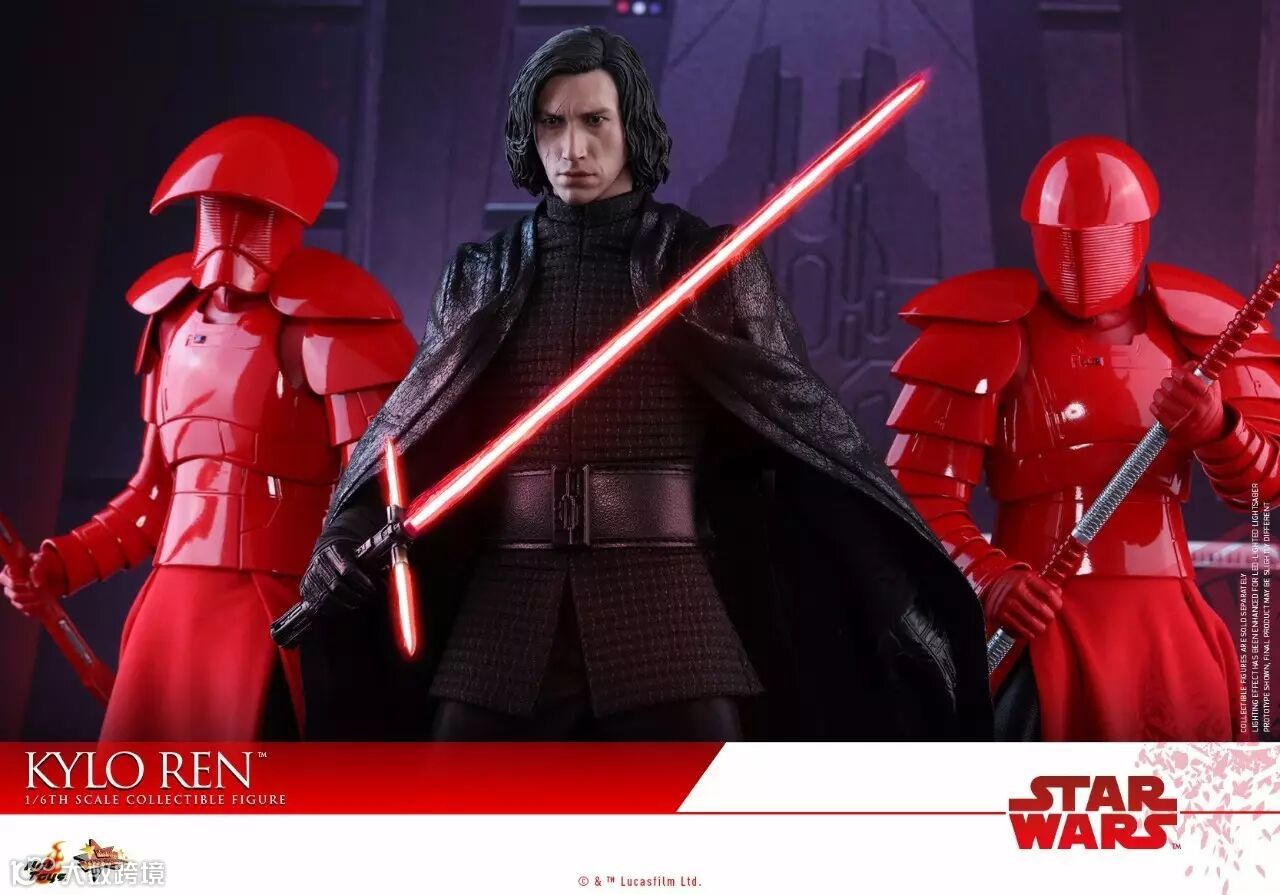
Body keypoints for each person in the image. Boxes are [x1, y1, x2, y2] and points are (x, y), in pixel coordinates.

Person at [294, 27, 992, 742]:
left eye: (594, 121)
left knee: (700, 807)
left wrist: (892, 594)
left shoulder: (703, 266)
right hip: (511, 606)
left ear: (632, 126)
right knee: (457, 799)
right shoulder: (482, 276)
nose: (572, 148)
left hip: (665, 603)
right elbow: (415, 432)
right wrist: (346, 534)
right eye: (552, 123)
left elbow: (800, 437)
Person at [1, 117, 416, 740]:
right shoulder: (172, 321)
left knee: (259, 778)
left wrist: (344, 587)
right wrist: (61, 565)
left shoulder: (332, 322)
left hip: (279, 609)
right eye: (215, 209)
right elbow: (153, 498)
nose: (230, 231)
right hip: (172, 611)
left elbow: (375, 495)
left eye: (249, 211)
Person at [886, 135, 1277, 741]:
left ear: (1139, 233)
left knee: (1190, 784)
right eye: (1067, 241)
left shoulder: (1201, 328)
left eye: (1103, 241)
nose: (1087, 262)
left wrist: (1218, 429)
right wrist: (988, 577)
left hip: (1166, 622)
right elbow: (916, 493)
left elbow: (1264, 485)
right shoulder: (984, 331)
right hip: (1037, 613)